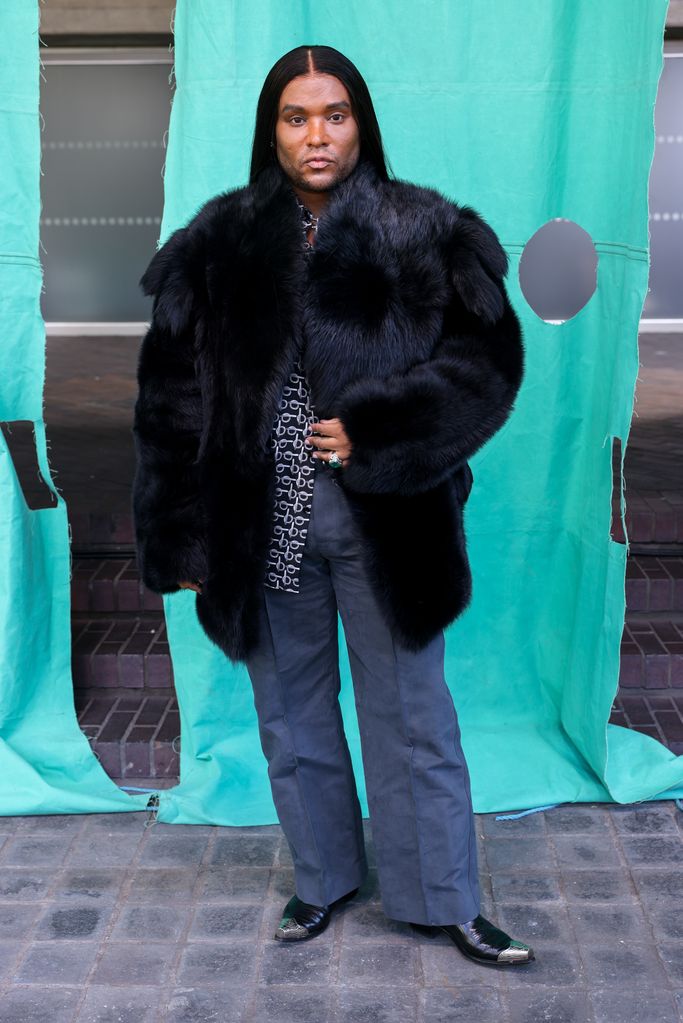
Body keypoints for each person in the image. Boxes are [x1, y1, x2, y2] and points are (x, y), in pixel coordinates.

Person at [132, 44, 533, 968]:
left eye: (336, 114)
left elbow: (486, 364)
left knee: (413, 712)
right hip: (260, 520)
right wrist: (181, 529)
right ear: (270, 130)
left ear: (362, 124)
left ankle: (445, 898)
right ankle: (322, 882)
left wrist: (379, 431)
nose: (317, 134)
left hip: (386, 518)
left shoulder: (424, 230)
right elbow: (168, 399)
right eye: (296, 116)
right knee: (290, 711)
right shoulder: (216, 245)